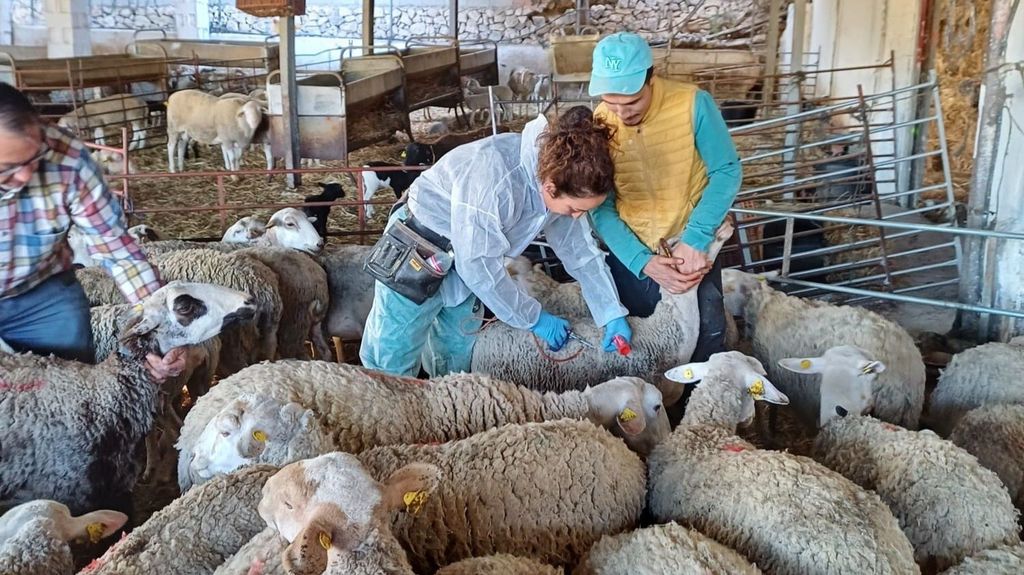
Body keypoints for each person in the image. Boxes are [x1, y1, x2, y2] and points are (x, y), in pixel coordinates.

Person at [360, 106, 631, 377]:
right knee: (392, 355)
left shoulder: (559, 181)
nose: (577, 217)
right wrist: (534, 318)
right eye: (575, 209)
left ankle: (446, 411)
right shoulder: (496, 178)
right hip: (419, 246)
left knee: (455, 352)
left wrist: (610, 312)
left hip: (469, 259)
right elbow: (478, 266)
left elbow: (580, 252)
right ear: (550, 188)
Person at [0, 82, 185, 379]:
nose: (24, 175)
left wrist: (160, 328)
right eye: (6, 168)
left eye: (34, 158)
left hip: (42, 293)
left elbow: (119, 251)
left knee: (70, 396)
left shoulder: (68, 160)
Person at [587, 32, 742, 368]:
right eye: (611, 102)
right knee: (640, 346)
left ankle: (700, 414)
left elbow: (726, 170)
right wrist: (641, 260)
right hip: (633, 254)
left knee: (707, 336)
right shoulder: (600, 121)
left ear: (651, 78)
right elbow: (601, 205)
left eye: (631, 102)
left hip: (690, 250)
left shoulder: (692, 104)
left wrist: (695, 239)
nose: (620, 113)